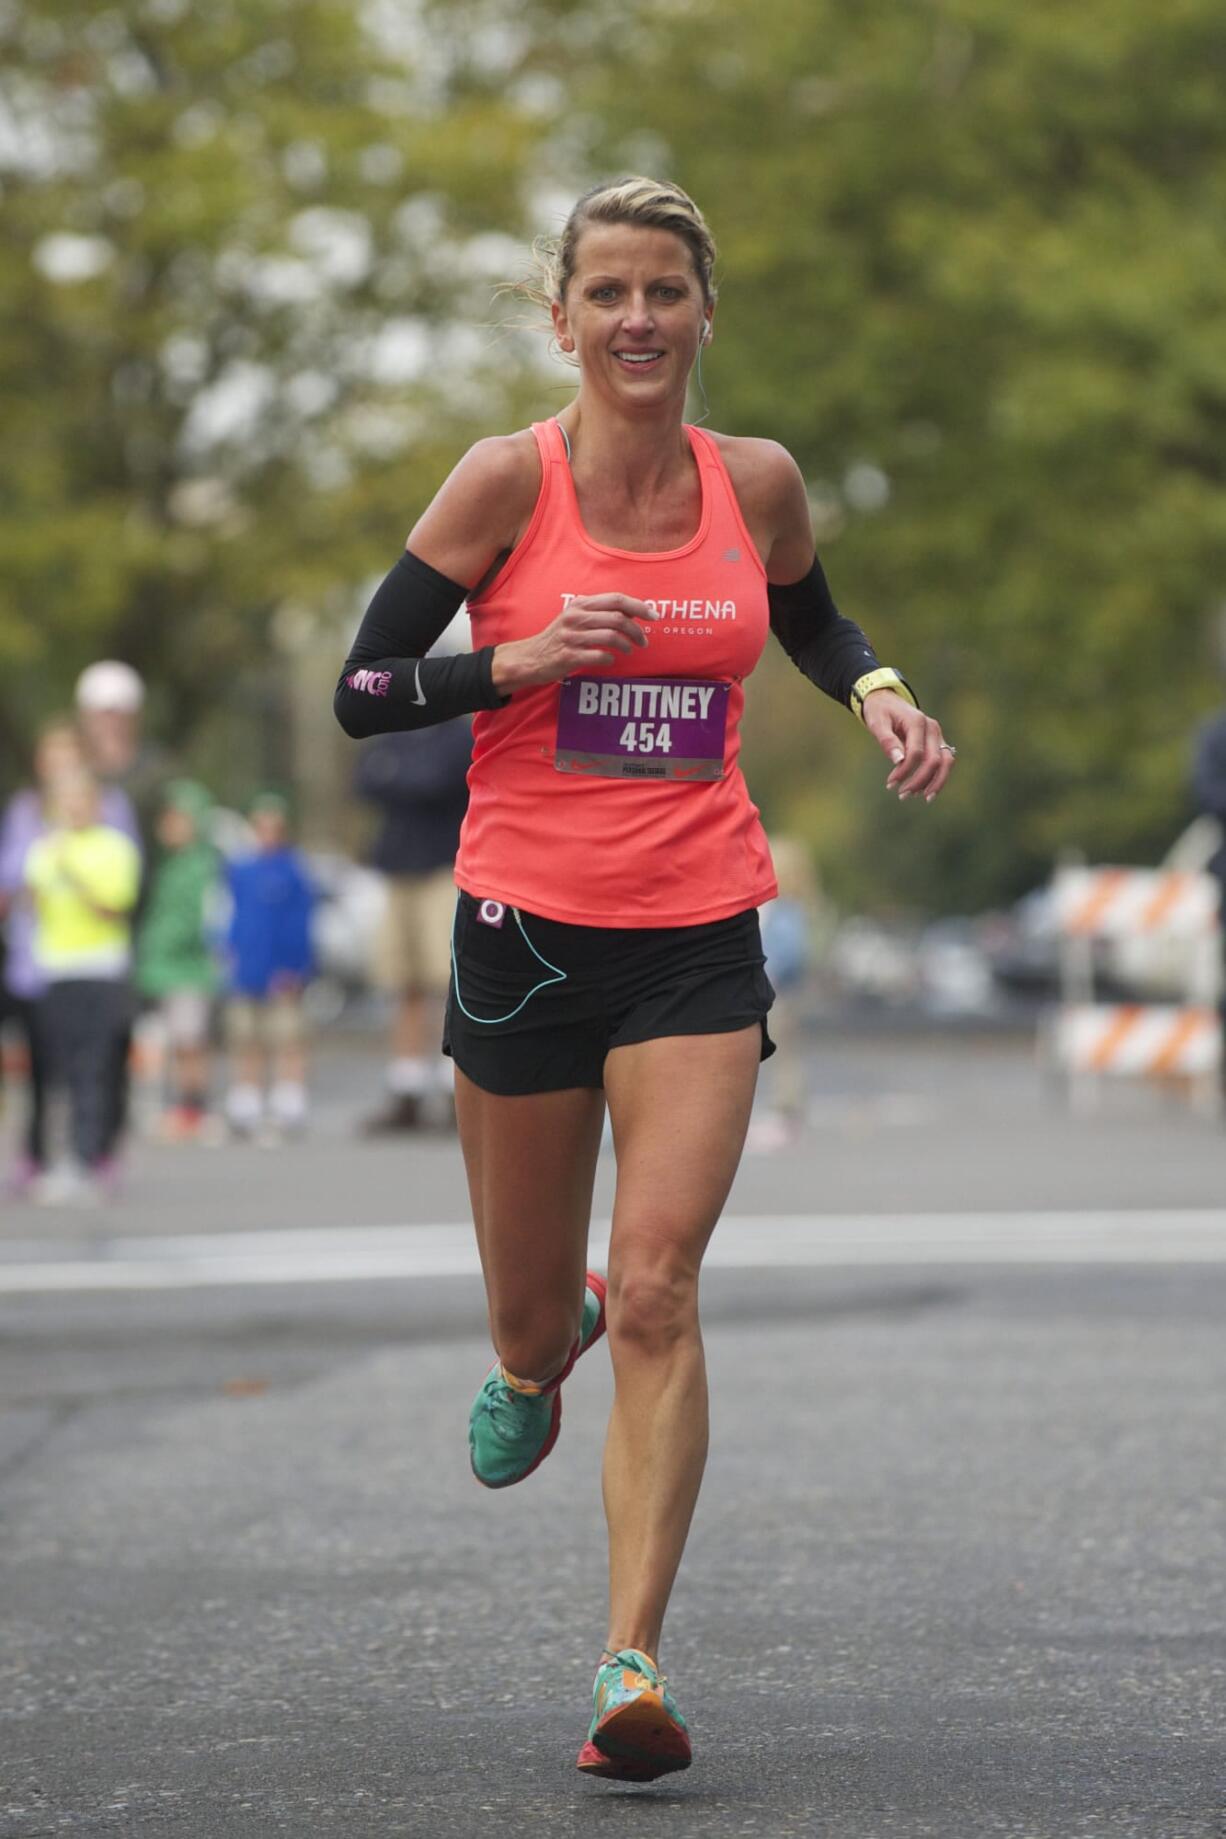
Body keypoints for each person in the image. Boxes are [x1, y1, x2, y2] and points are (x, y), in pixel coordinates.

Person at [334, 176, 956, 1781]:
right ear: (561, 316)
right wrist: (511, 661)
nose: (635, 320)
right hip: (526, 935)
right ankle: (548, 1342)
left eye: (663, 292)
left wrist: (878, 689)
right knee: (535, 1322)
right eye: (604, 292)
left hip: (696, 932)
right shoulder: (500, 482)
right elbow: (360, 688)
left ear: (701, 313)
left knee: (667, 1285)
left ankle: (628, 1663)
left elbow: (814, 621)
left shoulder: (754, 483)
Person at [0, 718, 139, 1195]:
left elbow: (116, 895)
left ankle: (93, 1153)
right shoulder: (28, 816)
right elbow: (18, 887)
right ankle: (39, 1156)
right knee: (45, 1066)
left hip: (97, 965)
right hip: (41, 963)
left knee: (96, 1065)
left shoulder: (111, 821)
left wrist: (70, 868)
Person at [353, 720, 472, 1132]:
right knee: (403, 983)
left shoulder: (459, 735)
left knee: (446, 982)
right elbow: (365, 779)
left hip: (443, 869)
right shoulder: (396, 731)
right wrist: (409, 775)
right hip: (397, 871)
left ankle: (452, 1091)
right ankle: (406, 1089)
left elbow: (436, 780)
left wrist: (398, 775)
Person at [223, 792, 316, 1141]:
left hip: (282, 969)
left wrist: (296, 966)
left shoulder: (293, 870)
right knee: (246, 1035)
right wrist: (228, 952)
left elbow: (300, 923)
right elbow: (231, 917)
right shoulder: (240, 870)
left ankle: (288, 1096)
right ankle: (246, 1096)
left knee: (287, 1035)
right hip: (248, 967)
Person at [135, 779, 220, 1140]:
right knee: (166, 1042)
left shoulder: (201, 866)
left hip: (189, 969)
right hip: (162, 968)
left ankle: (194, 1107)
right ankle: (173, 1105)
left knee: (190, 1042)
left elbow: (199, 921)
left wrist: (163, 943)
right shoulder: (168, 864)